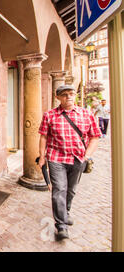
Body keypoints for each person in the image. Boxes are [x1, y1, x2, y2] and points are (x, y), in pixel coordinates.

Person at [38, 85, 101, 240]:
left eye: (71, 94)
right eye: (65, 95)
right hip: (56, 158)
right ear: (58, 97)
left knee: (71, 190)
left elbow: (94, 137)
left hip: (78, 158)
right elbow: (44, 136)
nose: (69, 97)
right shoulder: (50, 115)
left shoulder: (86, 114)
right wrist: (42, 156)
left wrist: (87, 155)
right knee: (59, 189)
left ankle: (65, 212)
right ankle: (61, 225)